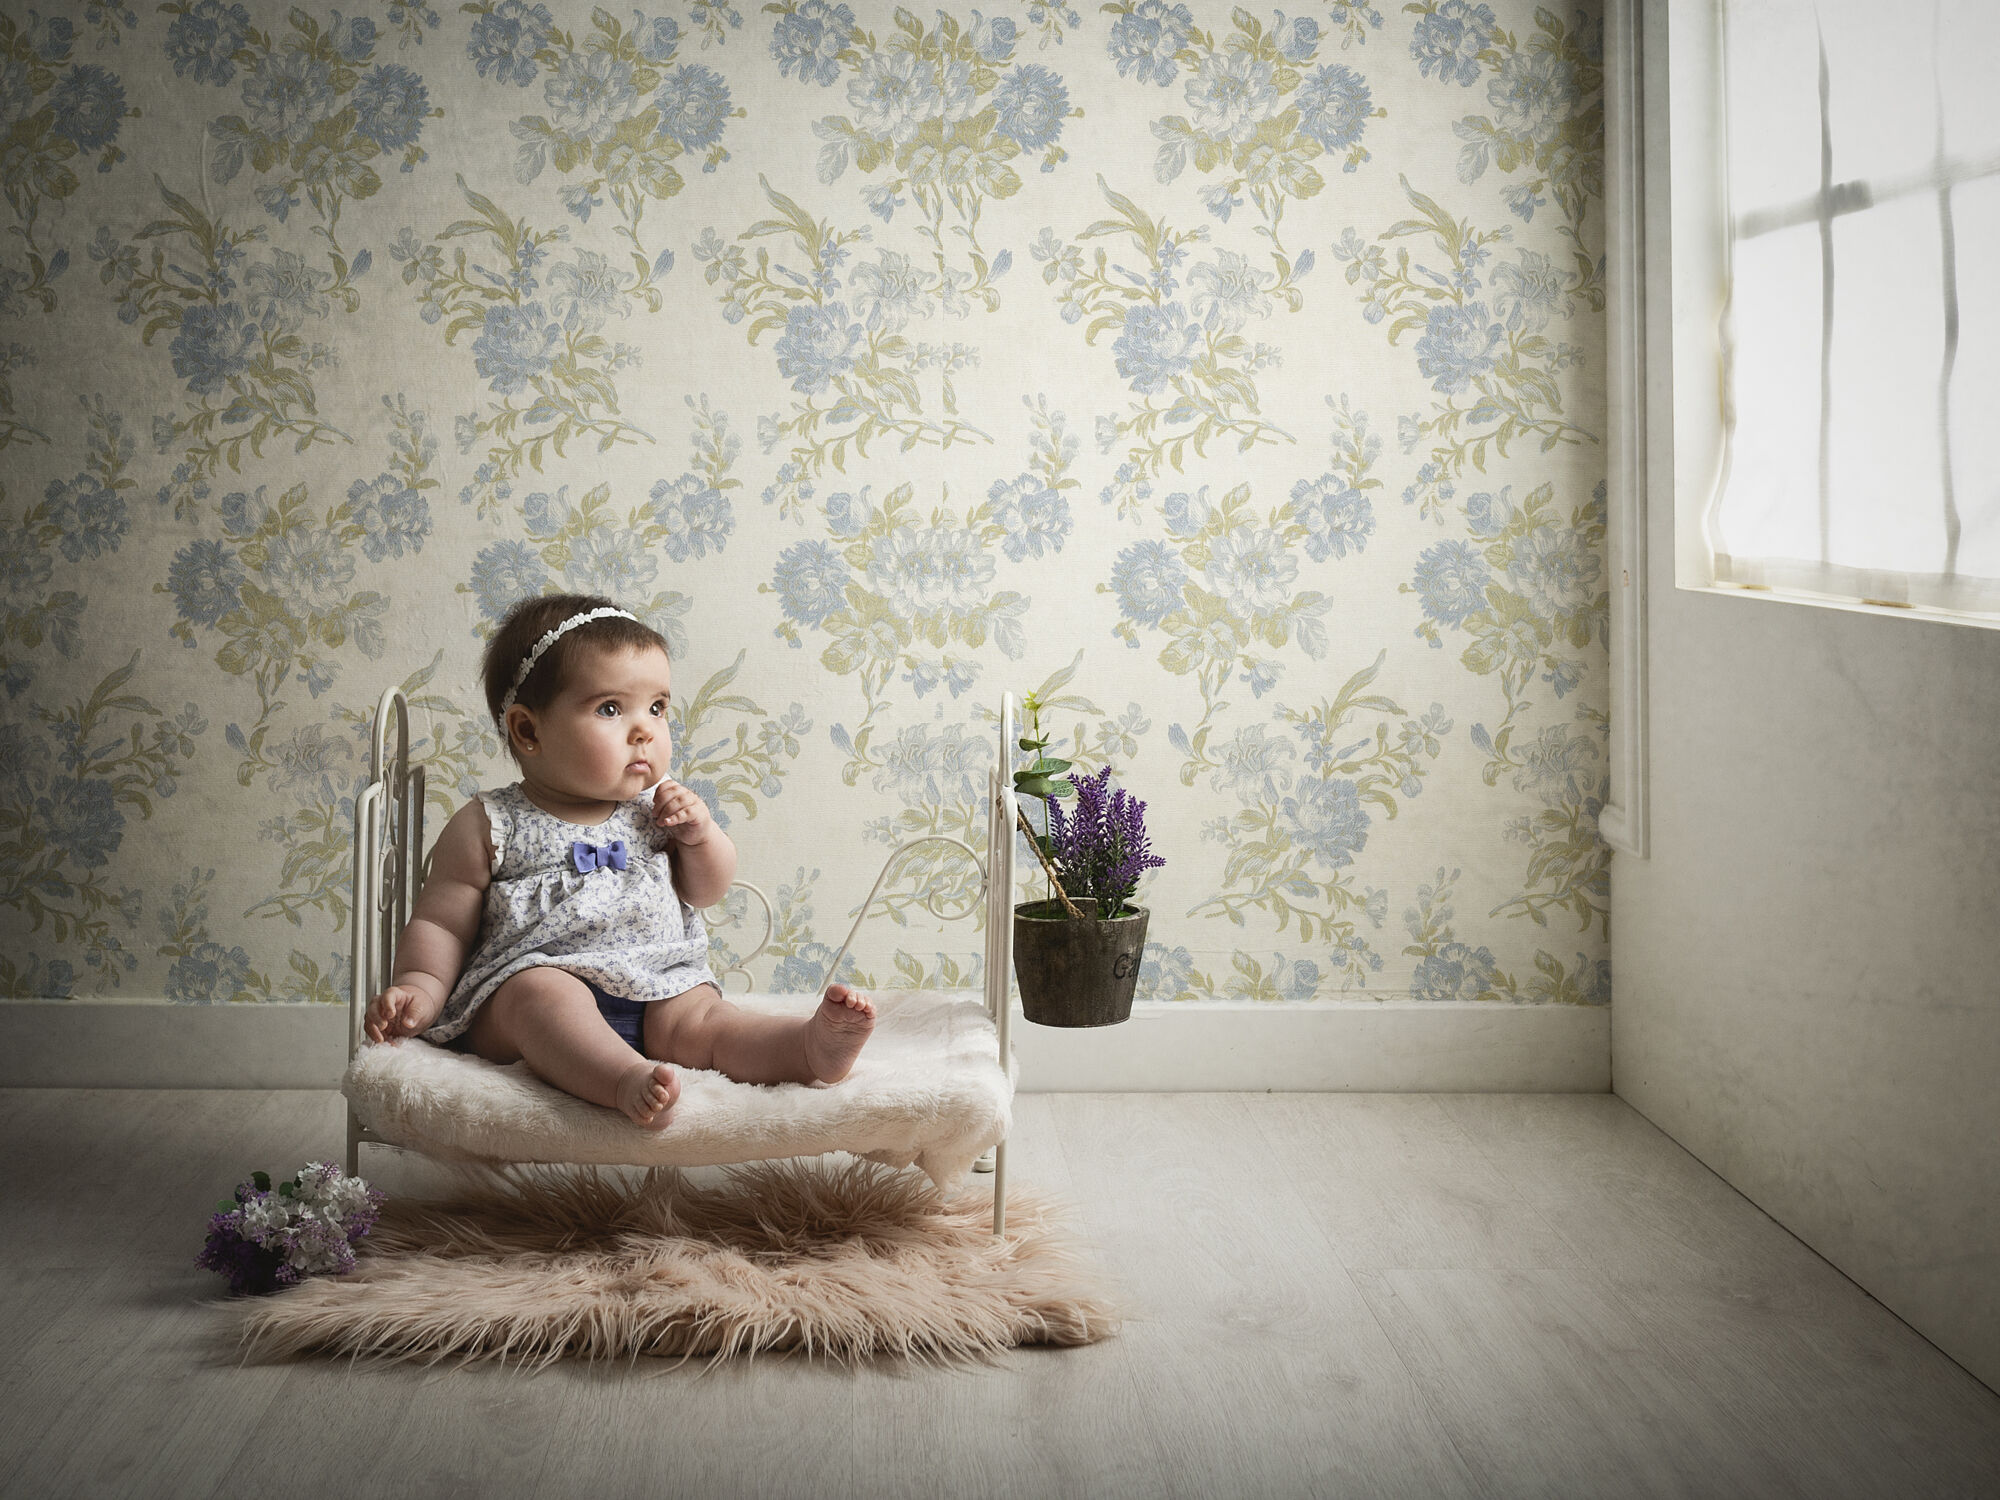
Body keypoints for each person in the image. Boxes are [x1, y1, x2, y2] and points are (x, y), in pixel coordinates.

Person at [363, 593, 875, 1127]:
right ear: (528, 731)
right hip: (533, 992)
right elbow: (440, 923)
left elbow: (706, 891)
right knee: (542, 996)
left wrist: (700, 837)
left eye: (657, 707)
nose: (645, 730)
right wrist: (419, 989)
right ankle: (622, 1078)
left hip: (661, 987)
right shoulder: (491, 823)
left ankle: (808, 1047)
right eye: (611, 708)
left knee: (710, 1021)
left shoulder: (657, 810)